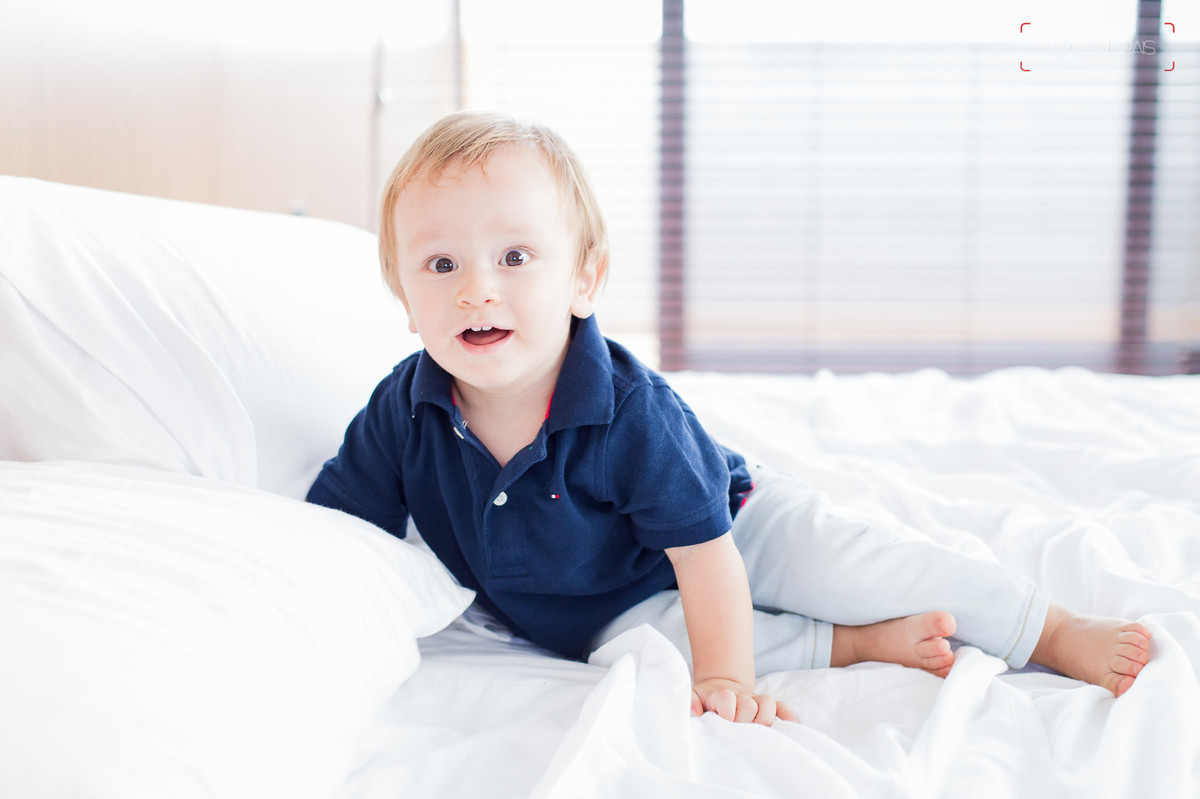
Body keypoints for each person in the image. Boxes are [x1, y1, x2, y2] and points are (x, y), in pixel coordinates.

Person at [307, 111, 1151, 727]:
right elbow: (338, 532)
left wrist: (726, 678)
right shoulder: (404, 410)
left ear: (583, 281)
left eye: (515, 257)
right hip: (598, 603)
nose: (476, 287)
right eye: (440, 262)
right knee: (648, 651)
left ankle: (1049, 625)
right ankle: (857, 647)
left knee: (849, 563)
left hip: (729, 529)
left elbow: (707, 560)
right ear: (405, 299)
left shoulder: (627, 410)